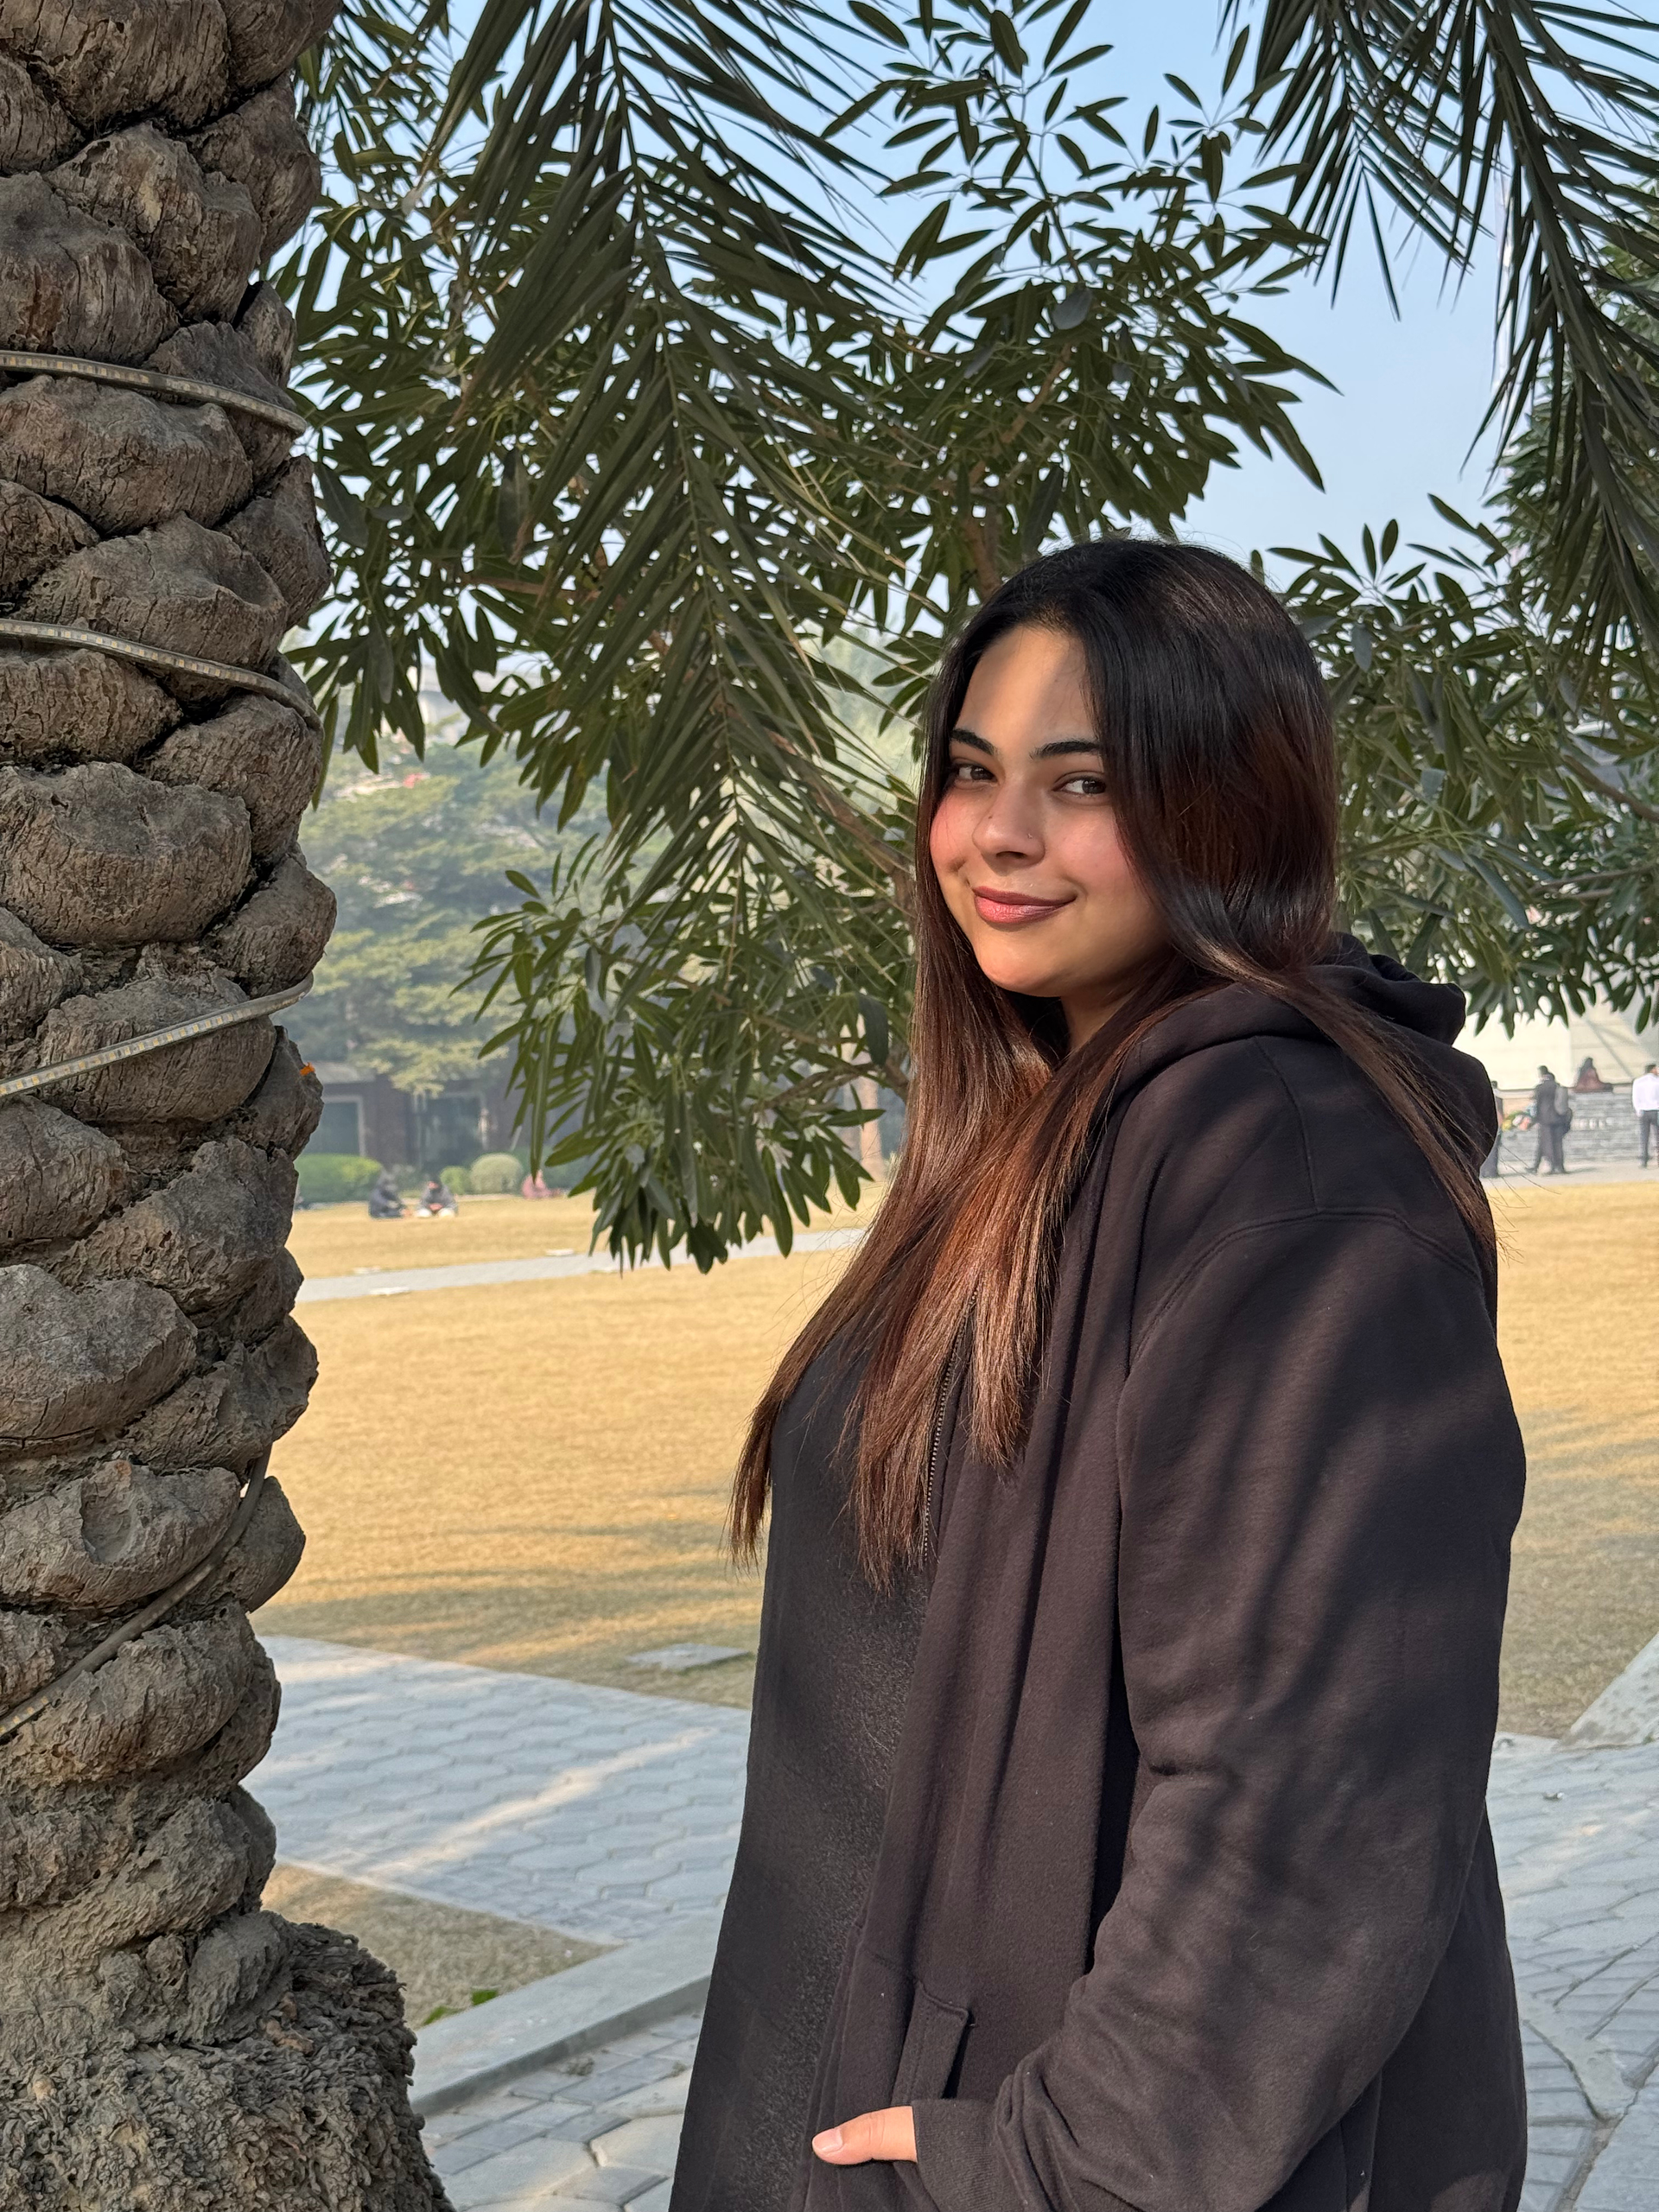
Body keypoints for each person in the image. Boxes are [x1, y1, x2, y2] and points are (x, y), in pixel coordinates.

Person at [671, 541, 1526, 2212]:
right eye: (972, 772)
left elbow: (1315, 1795)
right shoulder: (1041, 1133)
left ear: (1233, 811)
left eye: (1084, 784)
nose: (1000, 834)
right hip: (870, 2082)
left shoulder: (1289, 1173)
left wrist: (1063, 2165)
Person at [1528, 1065, 1571, 1174]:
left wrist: (1535, 1119)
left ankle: (1551, 1166)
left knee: (1548, 1143)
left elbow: (1537, 1104)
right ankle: (1560, 1166)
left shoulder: (1540, 1088)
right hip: (1559, 1118)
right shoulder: (1557, 1086)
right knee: (1558, 1143)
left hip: (1545, 1119)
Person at [1635, 1061, 1659, 1166]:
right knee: (1657, 1136)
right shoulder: (1657, 1081)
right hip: (1656, 1110)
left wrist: (1638, 1110)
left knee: (1644, 1136)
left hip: (1643, 1111)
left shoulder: (1638, 1082)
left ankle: (1644, 1159)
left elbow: (1635, 1098)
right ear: (1653, 1070)